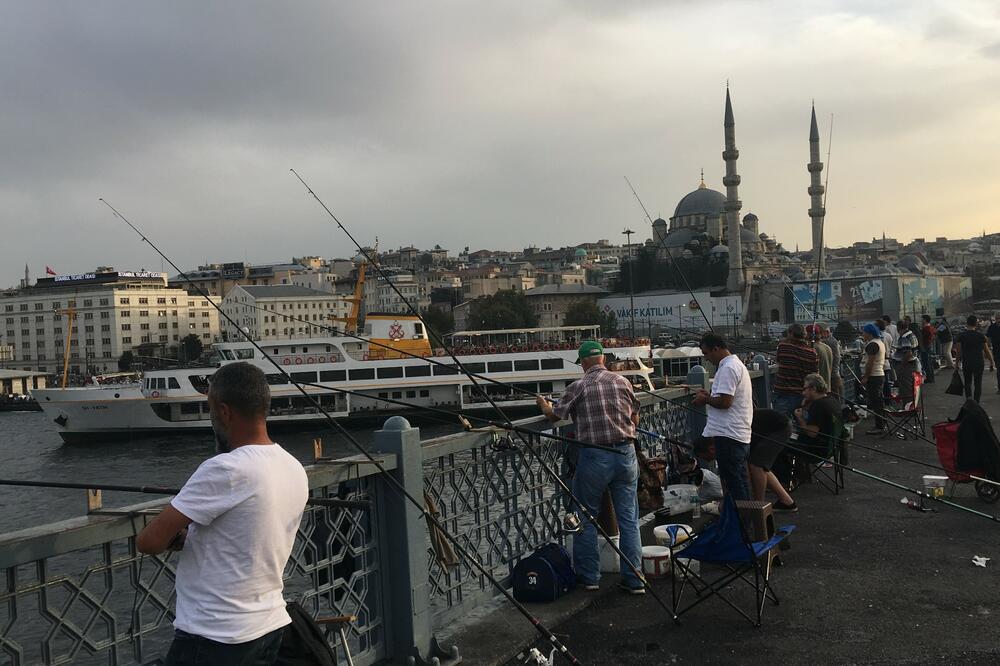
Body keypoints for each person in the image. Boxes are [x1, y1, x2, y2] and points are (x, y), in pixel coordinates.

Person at [137, 362, 309, 664]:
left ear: (224, 412)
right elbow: (247, 530)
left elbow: (149, 542)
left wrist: (172, 536)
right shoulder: (293, 466)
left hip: (215, 635)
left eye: (211, 410)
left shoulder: (226, 468)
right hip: (268, 626)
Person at [537, 340, 644, 594]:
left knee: (583, 516)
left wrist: (544, 404)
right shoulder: (623, 382)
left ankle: (590, 577)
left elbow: (555, 416)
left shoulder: (579, 386)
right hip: (626, 454)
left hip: (595, 457)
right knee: (628, 519)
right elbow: (635, 417)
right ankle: (634, 579)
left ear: (584, 363)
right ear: (603, 360)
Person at [692, 333, 754, 501]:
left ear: (716, 348)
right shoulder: (735, 365)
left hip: (729, 436)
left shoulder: (727, 368)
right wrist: (710, 395)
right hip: (737, 434)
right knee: (739, 480)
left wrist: (705, 399)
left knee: (735, 483)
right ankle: (744, 521)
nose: (706, 358)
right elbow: (724, 398)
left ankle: (741, 523)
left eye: (706, 353)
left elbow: (726, 402)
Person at [748, 408, 798, 512]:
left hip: (778, 428)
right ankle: (787, 501)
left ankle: (758, 505)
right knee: (760, 465)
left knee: (756, 465)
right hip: (779, 425)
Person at [790, 373, 842, 470]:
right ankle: (801, 475)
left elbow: (811, 433)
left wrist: (800, 417)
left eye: (805, 389)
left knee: (781, 443)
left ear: (813, 389)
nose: (803, 393)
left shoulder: (818, 406)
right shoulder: (832, 399)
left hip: (817, 450)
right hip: (833, 447)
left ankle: (786, 480)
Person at [772, 323, 819, 418]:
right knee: (802, 424)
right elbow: (815, 375)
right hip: (802, 395)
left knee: (781, 425)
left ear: (791, 334)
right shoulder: (813, 352)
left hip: (783, 394)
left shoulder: (783, 346)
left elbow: (778, 360)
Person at [954, 315, 996, 403]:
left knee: (967, 382)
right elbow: (987, 351)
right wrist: (992, 362)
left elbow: (958, 352)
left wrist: (956, 364)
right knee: (978, 383)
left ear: (967, 323)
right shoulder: (981, 336)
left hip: (967, 362)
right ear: (976, 324)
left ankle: (969, 401)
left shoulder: (961, 336)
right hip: (978, 362)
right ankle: (977, 402)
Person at [860, 323, 887, 435]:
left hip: (874, 376)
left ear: (869, 333)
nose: (863, 334)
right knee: (879, 401)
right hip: (879, 374)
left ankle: (879, 426)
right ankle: (881, 424)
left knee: (876, 402)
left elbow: (870, 363)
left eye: (864, 332)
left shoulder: (872, 345)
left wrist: (865, 376)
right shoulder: (880, 342)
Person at [891, 338, 922, 404]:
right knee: (911, 388)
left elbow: (908, 353)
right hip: (912, 363)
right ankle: (910, 406)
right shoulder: (911, 335)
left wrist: (902, 365)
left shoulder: (905, 337)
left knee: (907, 389)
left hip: (907, 365)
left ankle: (908, 407)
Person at [819, 322, 843, 402]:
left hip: (832, 377)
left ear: (826, 332)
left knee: (835, 402)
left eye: (819, 332)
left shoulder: (829, 342)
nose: (818, 335)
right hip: (834, 376)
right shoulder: (833, 340)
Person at [806, 324, 832, 388]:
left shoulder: (812, 348)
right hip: (826, 386)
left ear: (809, 334)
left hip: (816, 389)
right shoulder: (827, 347)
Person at [920, 314, 936, 384]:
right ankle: (931, 378)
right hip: (929, 346)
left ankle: (929, 378)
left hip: (925, 346)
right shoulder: (931, 328)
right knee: (929, 362)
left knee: (926, 363)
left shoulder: (926, 329)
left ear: (925, 320)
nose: (921, 320)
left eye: (922, 319)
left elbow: (922, 338)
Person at [986, 314, 1000, 394]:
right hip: (997, 351)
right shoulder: (992, 327)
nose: (998, 320)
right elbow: (988, 337)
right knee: (999, 370)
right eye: (997, 318)